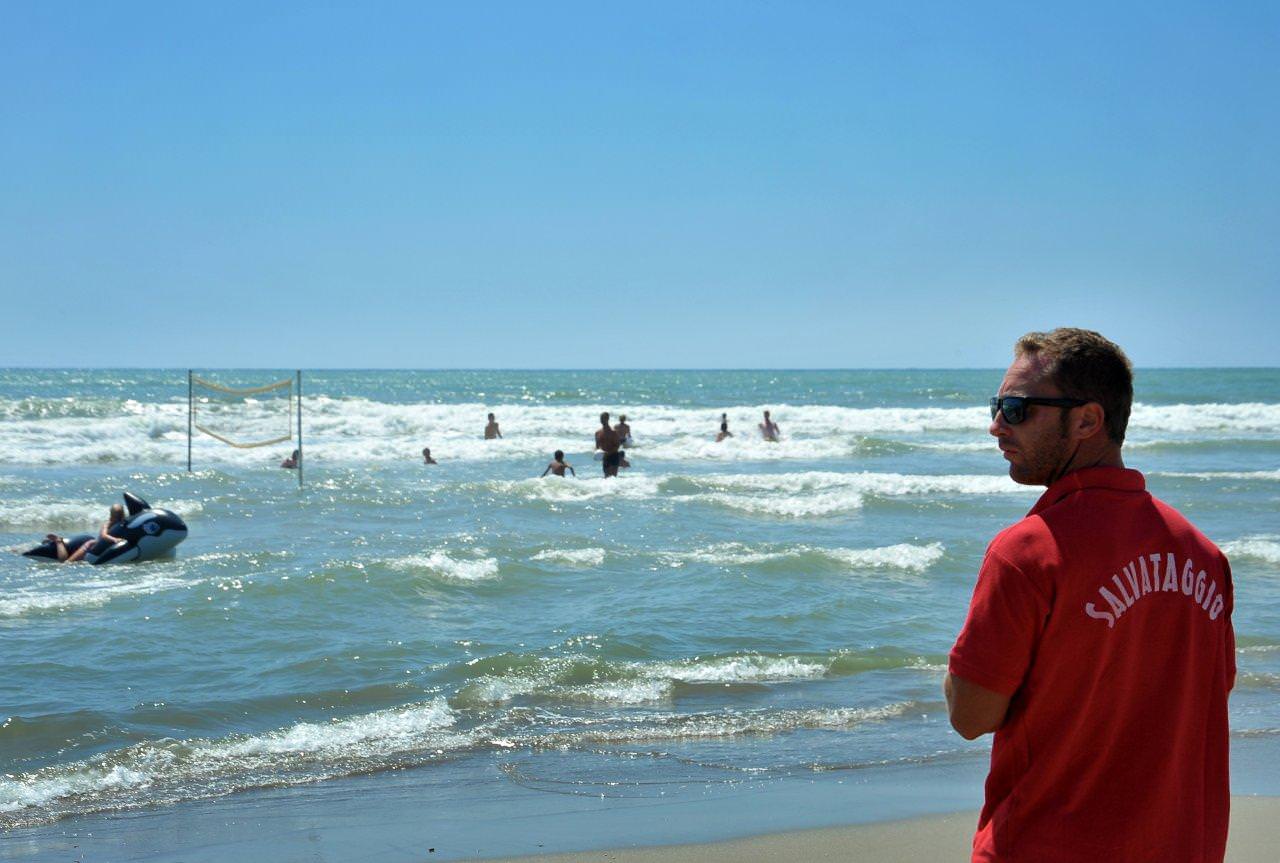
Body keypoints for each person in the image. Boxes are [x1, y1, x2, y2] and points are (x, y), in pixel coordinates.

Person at [946, 329, 1234, 862]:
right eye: (997, 406)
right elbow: (1205, 693)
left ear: (1086, 420)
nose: (995, 426)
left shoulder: (1027, 553)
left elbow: (971, 715)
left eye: (1016, 409)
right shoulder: (1204, 557)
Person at [51, 503, 126, 563]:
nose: (118, 518)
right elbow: (103, 536)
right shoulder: (107, 524)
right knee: (67, 563)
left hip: (102, 546)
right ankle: (59, 541)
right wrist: (114, 539)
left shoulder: (123, 523)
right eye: (116, 516)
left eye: (120, 515)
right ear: (111, 516)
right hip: (92, 545)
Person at [594, 411, 622, 477]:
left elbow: (617, 445)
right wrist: (598, 453)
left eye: (603, 418)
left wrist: (608, 453)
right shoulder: (598, 433)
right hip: (605, 458)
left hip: (614, 456)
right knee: (606, 477)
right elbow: (597, 446)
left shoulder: (613, 432)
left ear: (607, 419)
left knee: (613, 478)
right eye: (601, 418)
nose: (602, 420)